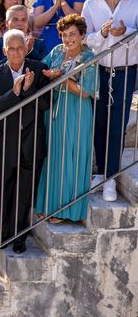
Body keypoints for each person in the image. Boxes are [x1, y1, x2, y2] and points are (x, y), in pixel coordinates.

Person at [0, 29, 51, 254]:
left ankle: (20, 237)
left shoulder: (39, 69)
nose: (15, 52)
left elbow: (46, 104)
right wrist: (14, 93)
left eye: (19, 48)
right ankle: (4, 235)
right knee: (6, 190)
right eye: (11, 48)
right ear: (4, 50)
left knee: (25, 192)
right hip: (6, 143)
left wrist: (29, 88)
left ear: (26, 48)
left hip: (33, 141)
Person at [82, 0, 138, 201]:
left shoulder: (135, 2)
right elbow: (86, 40)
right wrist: (104, 33)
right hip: (99, 71)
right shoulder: (90, 5)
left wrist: (124, 33)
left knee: (117, 124)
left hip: (126, 71)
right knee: (99, 123)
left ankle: (111, 178)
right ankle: (103, 172)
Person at [35, 15, 97, 222]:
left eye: (72, 34)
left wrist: (60, 79)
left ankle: (65, 210)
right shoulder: (57, 51)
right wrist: (49, 74)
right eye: (64, 35)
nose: (68, 39)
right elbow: (42, 70)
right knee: (53, 156)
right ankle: (47, 205)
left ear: (82, 35)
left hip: (76, 110)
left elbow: (85, 90)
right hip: (53, 110)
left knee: (71, 156)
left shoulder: (89, 57)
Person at [0, 5, 49, 72]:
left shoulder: (38, 44)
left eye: (24, 20)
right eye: (15, 20)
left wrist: (30, 51)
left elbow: (46, 68)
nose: (20, 23)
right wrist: (15, 57)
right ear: (6, 23)